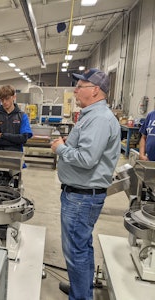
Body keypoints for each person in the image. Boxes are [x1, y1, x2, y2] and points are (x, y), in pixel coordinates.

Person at [51, 68, 120, 300]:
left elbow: (87, 159)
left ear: (96, 90)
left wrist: (60, 148)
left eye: (80, 87)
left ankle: (80, 297)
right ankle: (81, 289)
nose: (75, 90)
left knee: (75, 251)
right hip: (81, 194)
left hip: (81, 197)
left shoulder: (99, 118)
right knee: (82, 246)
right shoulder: (92, 115)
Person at [0, 84, 32, 152]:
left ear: (14, 97)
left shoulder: (22, 116)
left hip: (16, 155)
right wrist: (15, 141)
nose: (4, 102)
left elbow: (23, 138)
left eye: (7, 98)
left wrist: (2, 135)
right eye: (2, 99)